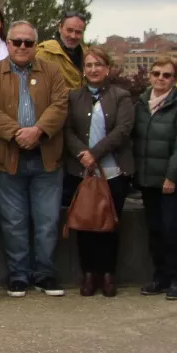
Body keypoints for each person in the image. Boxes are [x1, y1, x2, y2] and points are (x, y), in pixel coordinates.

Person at [0, 21, 70, 297]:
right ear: (8, 43)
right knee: (13, 221)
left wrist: (38, 131)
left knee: (47, 220)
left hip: (46, 158)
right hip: (8, 158)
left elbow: (60, 105)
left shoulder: (52, 72)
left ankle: (44, 274)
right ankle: (18, 275)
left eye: (28, 42)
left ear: (35, 45)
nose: (22, 47)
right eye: (17, 41)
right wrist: (17, 133)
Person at [62, 47, 136, 297]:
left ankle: (108, 274)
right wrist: (83, 154)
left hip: (113, 170)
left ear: (107, 69)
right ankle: (88, 274)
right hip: (82, 171)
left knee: (109, 224)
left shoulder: (121, 96)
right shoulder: (73, 97)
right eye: (89, 65)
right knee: (85, 224)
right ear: (84, 70)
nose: (93, 70)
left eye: (98, 65)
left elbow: (123, 129)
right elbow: (68, 130)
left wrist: (96, 153)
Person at [132, 55, 177, 299]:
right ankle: (160, 277)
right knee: (155, 230)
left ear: (175, 80)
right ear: (150, 75)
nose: (160, 78)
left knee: (172, 230)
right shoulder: (141, 102)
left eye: (166, 75)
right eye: (157, 73)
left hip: (171, 181)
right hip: (147, 178)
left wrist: (172, 177)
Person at [35, 11, 88, 91]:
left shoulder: (87, 54)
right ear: (60, 28)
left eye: (78, 32)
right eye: (69, 30)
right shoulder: (45, 52)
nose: (73, 36)